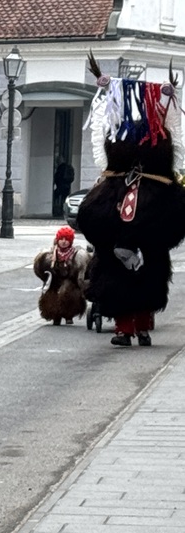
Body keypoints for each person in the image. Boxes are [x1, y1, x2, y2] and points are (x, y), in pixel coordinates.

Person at [75, 60, 185, 347]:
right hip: (119, 222)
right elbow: (103, 134)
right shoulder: (118, 151)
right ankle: (125, 329)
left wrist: (167, 97)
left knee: (149, 272)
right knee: (122, 274)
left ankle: (143, 326)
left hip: (151, 215)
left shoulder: (158, 143)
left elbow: (171, 133)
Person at [34, 225, 90, 325]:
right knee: (50, 293)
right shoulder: (50, 254)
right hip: (54, 280)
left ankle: (69, 314)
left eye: (67, 239)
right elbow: (41, 270)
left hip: (69, 280)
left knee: (67, 291)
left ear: (71, 241)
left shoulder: (77, 255)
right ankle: (55, 315)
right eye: (61, 239)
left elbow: (81, 273)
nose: (64, 242)